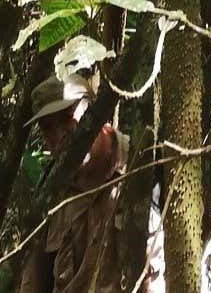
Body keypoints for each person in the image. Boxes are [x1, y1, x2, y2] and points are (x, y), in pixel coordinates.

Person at [20, 74, 128, 293]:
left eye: (68, 117)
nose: (59, 135)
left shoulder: (141, 165)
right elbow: (33, 283)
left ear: (95, 112)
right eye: (48, 128)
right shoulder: (52, 196)